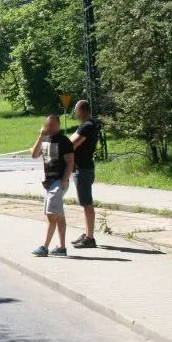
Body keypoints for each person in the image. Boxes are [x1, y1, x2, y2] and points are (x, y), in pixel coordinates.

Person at [30, 115, 74, 257]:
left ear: (59, 125)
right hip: (49, 182)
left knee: (51, 215)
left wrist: (64, 180)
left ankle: (44, 247)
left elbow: (70, 162)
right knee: (59, 216)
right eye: (48, 125)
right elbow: (34, 154)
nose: (51, 127)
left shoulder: (64, 141)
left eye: (53, 125)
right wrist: (40, 136)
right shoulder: (44, 139)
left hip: (58, 181)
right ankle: (61, 248)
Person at [70, 100, 99, 249]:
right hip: (85, 168)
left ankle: (90, 238)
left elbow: (72, 143)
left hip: (83, 169)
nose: (75, 113)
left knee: (87, 204)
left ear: (82, 111)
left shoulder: (87, 127)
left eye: (76, 110)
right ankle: (87, 233)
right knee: (85, 203)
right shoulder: (89, 125)